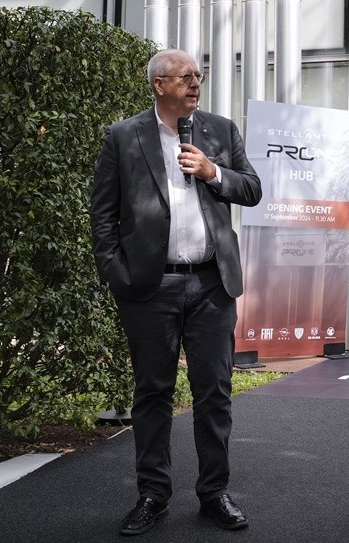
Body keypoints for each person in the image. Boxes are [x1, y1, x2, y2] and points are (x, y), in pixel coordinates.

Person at [91, 49, 262, 536]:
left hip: (211, 283)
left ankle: (214, 492)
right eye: (186, 77)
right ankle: (153, 494)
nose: (195, 84)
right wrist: (116, 273)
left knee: (215, 391)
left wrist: (212, 172)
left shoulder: (220, 130)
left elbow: (251, 189)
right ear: (158, 84)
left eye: (198, 76)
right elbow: (103, 213)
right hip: (150, 286)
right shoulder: (124, 136)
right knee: (152, 393)